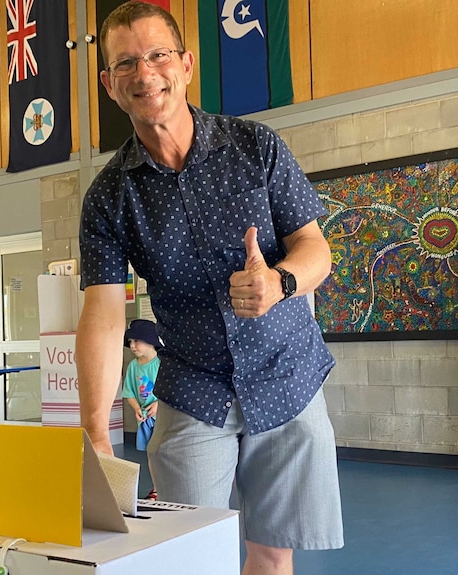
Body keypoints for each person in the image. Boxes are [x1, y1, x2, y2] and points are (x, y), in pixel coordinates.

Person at [76, 3, 343, 573]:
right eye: (126, 64)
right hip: (194, 389)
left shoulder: (256, 148)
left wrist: (280, 280)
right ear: (109, 85)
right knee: (188, 551)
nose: (145, 74)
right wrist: (96, 433)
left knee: (272, 551)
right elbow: (103, 314)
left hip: (286, 374)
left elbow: (316, 249)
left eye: (157, 55)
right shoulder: (108, 197)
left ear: (186, 64)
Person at [122, 319, 161, 500]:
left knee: (164, 451)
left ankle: (164, 486)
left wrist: (158, 404)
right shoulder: (133, 367)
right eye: (130, 342)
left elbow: (170, 389)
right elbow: (129, 391)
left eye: (137, 341)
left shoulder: (162, 363)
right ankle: (156, 487)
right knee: (151, 454)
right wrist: (137, 408)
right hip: (144, 419)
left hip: (162, 417)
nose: (133, 345)